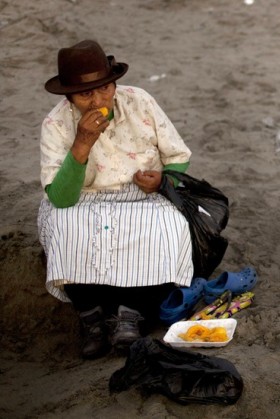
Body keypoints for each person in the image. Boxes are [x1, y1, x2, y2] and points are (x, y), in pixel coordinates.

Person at [38, 40, 194, 359]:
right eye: (85, 95)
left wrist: (165, 179)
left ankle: (130, 314)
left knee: (171, 224)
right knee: (62, 223)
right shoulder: (55, 124)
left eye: (105, 88)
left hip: (143, 196)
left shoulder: (140, 101)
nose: (98, 100)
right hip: (83, 200)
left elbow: (178, 156)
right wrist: (82, 141)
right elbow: (62, 197)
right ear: (68, 97)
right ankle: (91, 316)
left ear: (114, 83)